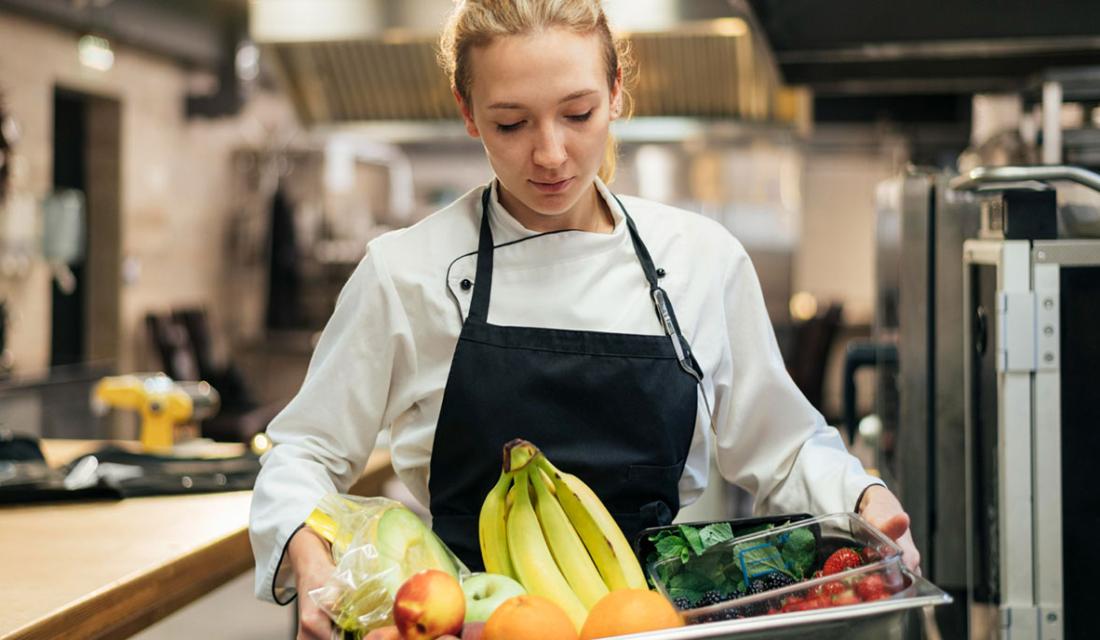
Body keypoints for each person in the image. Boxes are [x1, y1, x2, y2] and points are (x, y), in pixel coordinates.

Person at [249, 1, 920, 637]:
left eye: (578, 113)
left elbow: (782, 446)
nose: (550, 154)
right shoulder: (405, 272)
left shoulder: (699, 261)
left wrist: (865, 498)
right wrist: (305, 550)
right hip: (465, 622)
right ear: (467, 112)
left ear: (617, 91)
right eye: (511, 124)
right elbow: (306, 450)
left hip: (654, 620)